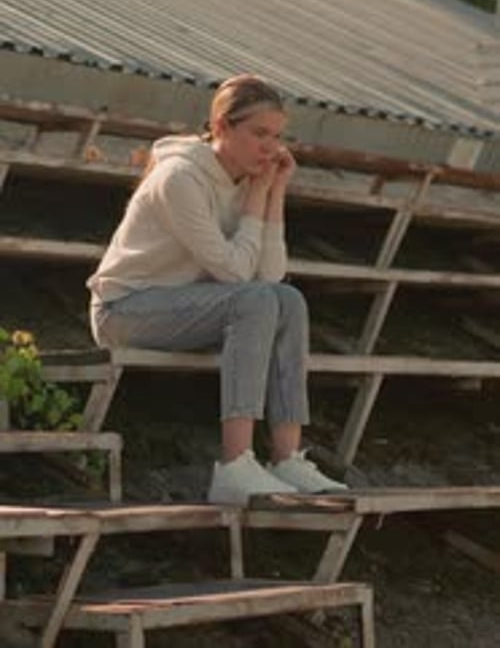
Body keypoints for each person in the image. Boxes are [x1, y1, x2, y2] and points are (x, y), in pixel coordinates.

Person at [88, 74, 347, 505]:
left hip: (192, 306)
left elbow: (271, 276)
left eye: (277, 137)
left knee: (290, 300)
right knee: (257, 300)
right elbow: (235, 275)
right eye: (259, 134)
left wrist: (272, 191)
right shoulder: (180, 178)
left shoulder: (247, 180)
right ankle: (235, 464)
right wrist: (256, 200)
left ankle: (286, 457)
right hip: (125, 311)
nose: (271, 148)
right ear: (223, 127)